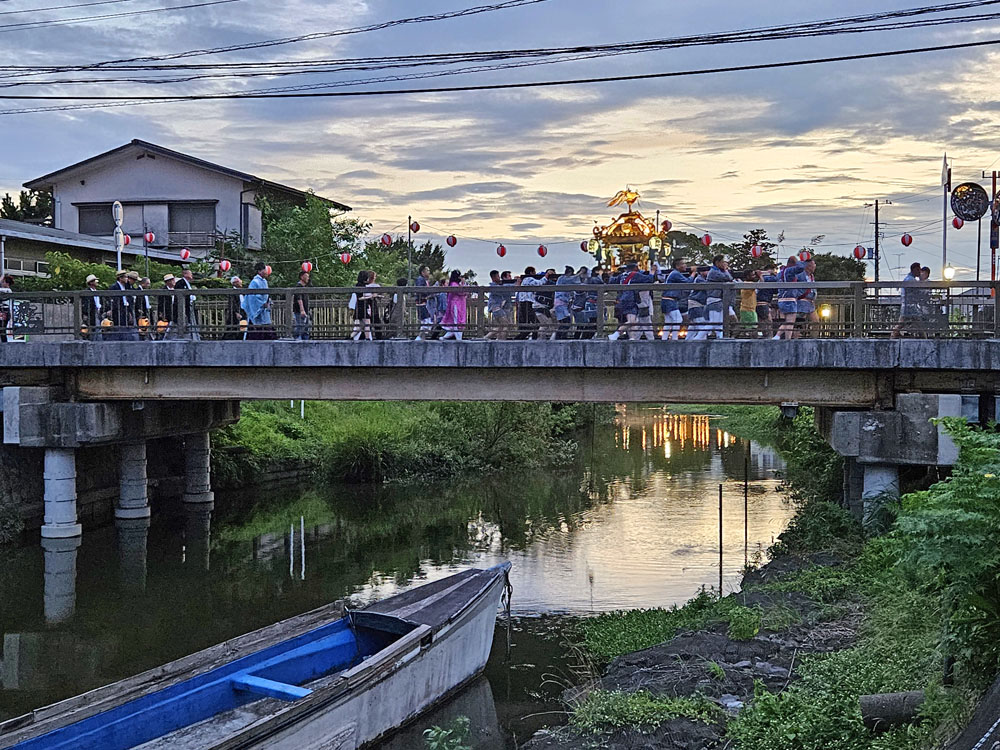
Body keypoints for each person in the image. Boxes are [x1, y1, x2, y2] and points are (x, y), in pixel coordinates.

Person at [892, 262, 925, 339]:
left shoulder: (908, 278)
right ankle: (924, 338)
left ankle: (894, 335)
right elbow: (919, 292)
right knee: (918, 323)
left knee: (902, 322)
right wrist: (921, 280)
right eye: (918, 270)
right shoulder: (911, 280)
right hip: (910, 305)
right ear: (915, 269)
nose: (920, 272)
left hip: (907, 305)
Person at [774, 256, 805, 340]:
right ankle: (781, 337)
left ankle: (782, 337)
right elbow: (801, 268)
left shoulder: (780, 272)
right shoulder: (789, 270)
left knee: (788, 321)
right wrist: (799, 261)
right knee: (790, 321)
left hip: (781, 299)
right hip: (790, 298)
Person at [705, 255, 734, 339]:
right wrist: (726, 270)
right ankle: (698, 338)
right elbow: (728, 278)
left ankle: (720, 338)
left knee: (719, 323)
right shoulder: (714, 272)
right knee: (713, 324)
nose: (724, 264)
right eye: (722, 262)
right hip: (714, 299)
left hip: (718, 299)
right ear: (717, 263)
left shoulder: (717, 271)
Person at [244, 262, 275, 340]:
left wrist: (268, 301)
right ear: (259, 271)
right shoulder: (255, 282)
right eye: (264, 269)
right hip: (259, 308)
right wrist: (262, 303)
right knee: (257, 328)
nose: (266, 271)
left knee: (266, 326)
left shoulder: (264, 281)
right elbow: (252, 297)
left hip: (264, 307)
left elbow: (266, 294)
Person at [660, 257, 689, 341]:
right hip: (670, 300)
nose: (685, 265)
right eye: (683, 264)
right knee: (678, 319)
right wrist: (693, 274)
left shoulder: (674, 273)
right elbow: (688, 282)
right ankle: (674, 338)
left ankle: (664, 339)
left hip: (668, 300)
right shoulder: (675, 274)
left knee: (668, 322)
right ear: (677, 266)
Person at [106, 269, 136, 341]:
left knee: (127, 327)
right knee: (118, 327)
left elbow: (129, 298)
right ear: (120, 278)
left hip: (126, 309)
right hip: (118, 310)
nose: (127, 279)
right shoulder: (113, 287)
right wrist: (110, 309)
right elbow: (110, 299)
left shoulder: (127, 287)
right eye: (125, 277)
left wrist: (130, 311)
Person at [554, 265, 580, 339]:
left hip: (563, 304)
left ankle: (561, 337)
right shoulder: (563, 279)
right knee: (566, 322)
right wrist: (580, 274)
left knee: (565, 322)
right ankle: (559, 338)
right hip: (560, 303)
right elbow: (572, 280)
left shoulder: (562, 279)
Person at [174, 268, 200, 341]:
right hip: (183, 307)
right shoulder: (180, 283)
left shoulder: (187, 283)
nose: (191, 275)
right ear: (185, 274)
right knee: (184, 322)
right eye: (190, 273)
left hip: (189, 305)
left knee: (190, 321)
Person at [485, 270, 513, 340]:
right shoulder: (493, 286)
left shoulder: (497, 285)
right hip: (496, 307)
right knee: (505, 325)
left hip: (498, 308)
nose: (499, 278)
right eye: (498, 276)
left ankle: (497, 339)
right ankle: (500, 340)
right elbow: (504, 290)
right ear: (493, 277)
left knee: (500, 326)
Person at [516, 266, 542, 339]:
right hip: (527, 303)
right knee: (536, 323)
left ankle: (520, 338)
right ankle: (531, 339)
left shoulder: (524, 281)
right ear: (531, 272)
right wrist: (545, 277)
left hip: (524, 304)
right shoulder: (529, 279)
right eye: (534, 272)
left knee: (528, 325)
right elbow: (538, 283)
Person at [441, 270, 468, 340]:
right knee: (457, 321)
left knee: (458, 321)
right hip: (456, 305)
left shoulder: (457, 284)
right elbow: (461, 292)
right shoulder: (453, 284)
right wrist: (463, 283)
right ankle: (459, 339)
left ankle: (445, 337)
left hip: (460, 305)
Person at [686, 266, 710, 340]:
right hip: (695, 304)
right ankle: (702, 343)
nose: (708, 272)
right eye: (706, 271)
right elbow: (708, 286)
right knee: (701, 325)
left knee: (693, 327)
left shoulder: (703, 279)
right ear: (701, 272)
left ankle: (687, 342)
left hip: (699, 304)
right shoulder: (699, 279)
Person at [756, 265, 779, 338]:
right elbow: (777, 285)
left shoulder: (760, 278)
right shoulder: (769, 278)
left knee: (761, 323)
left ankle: (762, 337)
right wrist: (776, 276)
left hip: (758, 303)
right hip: (764, 303)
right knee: (768, 322)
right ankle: (769, 339)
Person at [156, 273, 180, 339]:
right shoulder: (163, 291)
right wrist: (162, 314)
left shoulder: (175, 290)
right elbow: (160, 304)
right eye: (172, 280)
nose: (174, 281)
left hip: (173, 313)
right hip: (166, 313)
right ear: (168, 282)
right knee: (164, 329)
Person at [414, 265, 433, 340]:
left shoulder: (423, 280)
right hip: (421, 302)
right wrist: (428, 293)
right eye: (427, 270)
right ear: (423, 272)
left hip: (422, 301)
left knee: (425, 321)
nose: (429, 272)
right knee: (426, 320)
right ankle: (420, 337)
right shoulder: (420, 280)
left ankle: (421, 337)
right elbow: (420, 290)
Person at [293, 269, 311, 340]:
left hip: (305, 310)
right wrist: (302, 310)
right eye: (306, 276)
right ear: (301, 277)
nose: (308, 278)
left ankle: (305, 341)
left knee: (306, 327)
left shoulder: (304, 287)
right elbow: (299, 299)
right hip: (299, 311)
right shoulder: (299, 286)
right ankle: (297, 340)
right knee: (300, 326)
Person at [82, 273, 102, 338]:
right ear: (91, 283)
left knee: (98, 329)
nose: (96, 282)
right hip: (91, 313)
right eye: (94, 281)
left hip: (98, 312)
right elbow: (86, 304)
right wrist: (85, 314)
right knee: (91, 330)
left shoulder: (97, 291)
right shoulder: (87, 292)